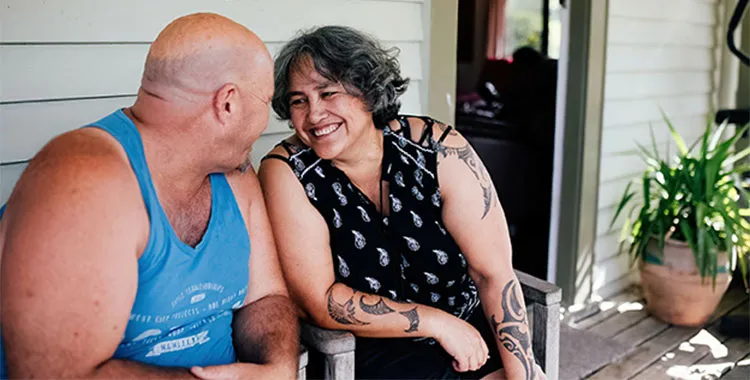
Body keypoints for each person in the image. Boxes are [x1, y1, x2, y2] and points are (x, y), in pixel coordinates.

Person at [0, 12, 299, 378]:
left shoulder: (234, 171)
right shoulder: (82, 179)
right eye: (266, 101)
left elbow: (266, 297)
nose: (267, 122)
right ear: (228, 104)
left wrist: (279, 367)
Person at [258, 25, 547, 380]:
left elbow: (493, 274)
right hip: (374, 350)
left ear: (366, 91)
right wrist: (437, 324)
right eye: (299, 100)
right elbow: (321, 301)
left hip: (469, 328)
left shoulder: (437, 149)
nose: (314, 114)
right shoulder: (288, 172)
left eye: (328, 93)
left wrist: (524, 374)